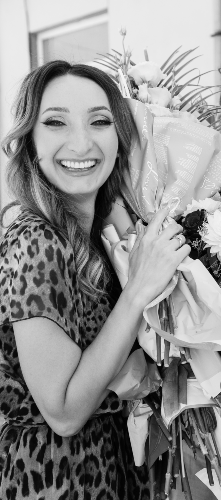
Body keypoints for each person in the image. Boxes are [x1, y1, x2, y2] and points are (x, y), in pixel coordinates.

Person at [0, 60, 190, 500]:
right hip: (59, 479)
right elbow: (64, 412)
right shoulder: (35, 242)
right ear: (30, 141)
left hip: (116, 469)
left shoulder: (99, 237)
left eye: (100, 121)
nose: (81, 142)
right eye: (55, 122)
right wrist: (140, 286)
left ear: (120, 139)